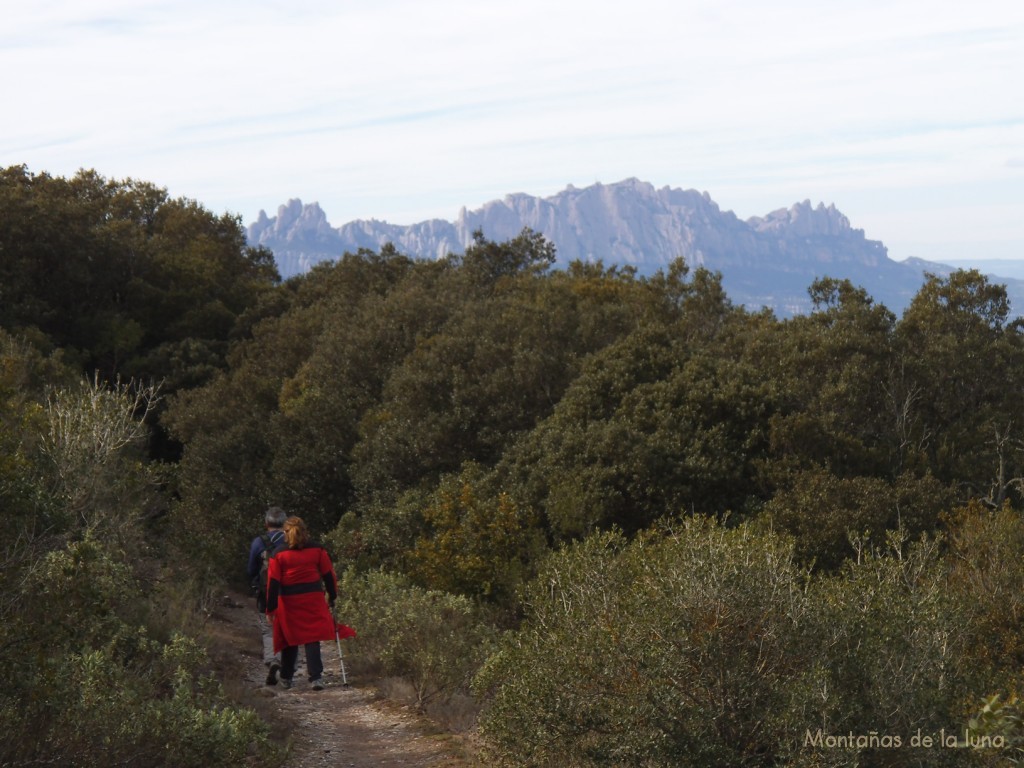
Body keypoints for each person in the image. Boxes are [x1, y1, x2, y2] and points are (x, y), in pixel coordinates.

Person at [266, 516, 339, 691]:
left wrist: (270, 609)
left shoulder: (278, 554)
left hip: (289, 600)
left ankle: (286, 678)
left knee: (290, 639)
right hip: (313, 598)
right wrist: (332, 596)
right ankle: (316, 678)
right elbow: (329, 575)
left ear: (286, 533)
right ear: (305, 531)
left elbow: (273, 583)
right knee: (312, 636)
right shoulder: (318, 550)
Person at [247, 506, 287, 685]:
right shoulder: (289, 540)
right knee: (287, 627)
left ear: (266, 524)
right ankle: (286, 666)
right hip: (288, 592)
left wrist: (255, 583)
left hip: (266, 591)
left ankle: (272, 659)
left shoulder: (259, 542)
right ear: (284, 524)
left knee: (268, 628)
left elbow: (251, 569)